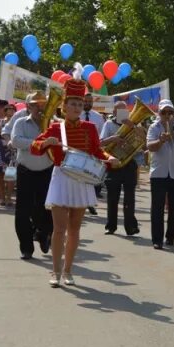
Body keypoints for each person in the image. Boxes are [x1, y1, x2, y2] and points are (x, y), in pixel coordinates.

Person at [31, 79, 120, 287]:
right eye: (73, 104)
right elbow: (35, 147)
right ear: (64, 106)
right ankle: (54, 271)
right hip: (62, 178)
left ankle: (68, 271)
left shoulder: (90, 128)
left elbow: (98, 151)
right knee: (59, 229)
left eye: (80, 104)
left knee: (74, 229)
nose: (77, 108)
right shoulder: (55, 127)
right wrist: (46, 142)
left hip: (82, 180)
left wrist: (110, 157)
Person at [11, 92, 55, 259]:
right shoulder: (21, 122)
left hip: (47, 171)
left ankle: (43, 234)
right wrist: (40, 143)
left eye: (43, 104)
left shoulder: (52, 124)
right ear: (28, 107)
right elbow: (15, 141)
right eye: (36, 105)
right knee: (23, 211)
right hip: (26, 171)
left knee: (46, 209)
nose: (40, 108)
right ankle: (26, 247)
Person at [146, 99, 174, 250]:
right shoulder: (153, 127)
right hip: (159, 173)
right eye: (164, 112)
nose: (168, 115)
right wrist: (161, 140)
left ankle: (170, 237)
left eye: (171, 112)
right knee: (157, 207)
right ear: (159, 113)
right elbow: (150, 147)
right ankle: (157, 239)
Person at [100, 100, 141, 236]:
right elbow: (100, 143)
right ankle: (110, 226)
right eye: (119, 111)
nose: (123, 113)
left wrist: (133, 127)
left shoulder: (134, 124)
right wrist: (113, 139)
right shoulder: (108, 124)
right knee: (113, 197)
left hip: (129, 164)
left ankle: (131, 227)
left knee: (130, 197)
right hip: (114, 163)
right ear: (114, 112)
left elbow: (143, 141)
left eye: (125, 111)